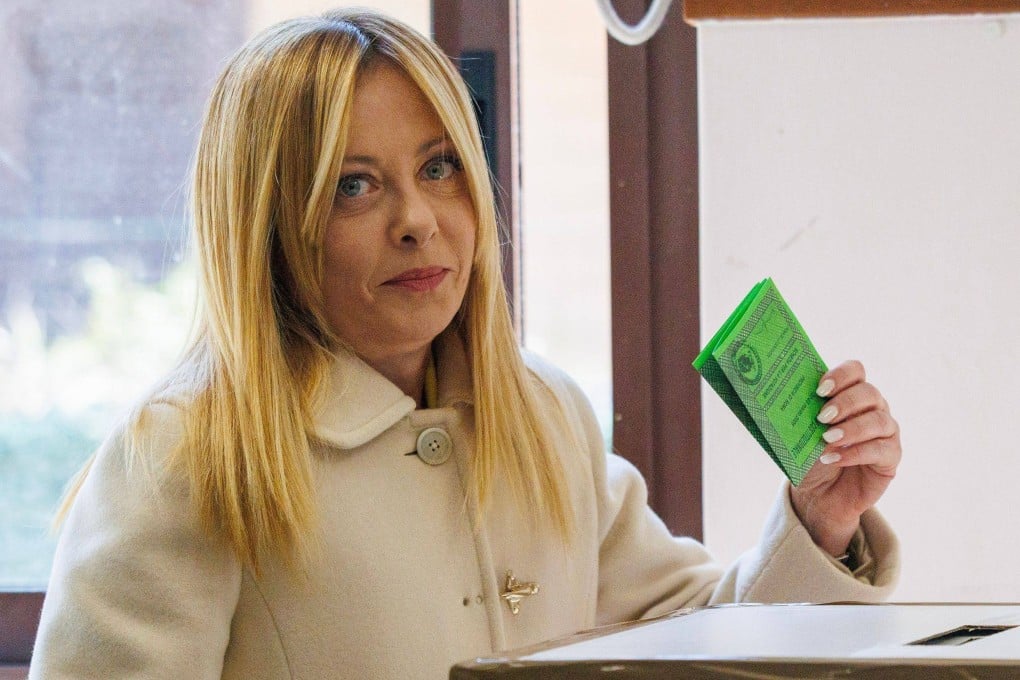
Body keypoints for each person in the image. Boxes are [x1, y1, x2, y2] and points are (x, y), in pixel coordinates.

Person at [29, 8, 902, 680]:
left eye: (440, 166)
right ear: (266, 225)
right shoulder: (183, 455)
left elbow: (711, 639)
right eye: (355, 186)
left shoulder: (543, 414)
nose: (417, 220)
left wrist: (820, 524)